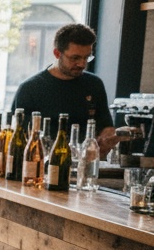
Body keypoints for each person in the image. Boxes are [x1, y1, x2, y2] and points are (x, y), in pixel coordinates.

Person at [9, 23, 119, 153]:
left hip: (84, 159)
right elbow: (18, 138)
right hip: (43, 160)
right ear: (57, 53)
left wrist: (108, 138)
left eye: (86, 57)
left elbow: (106, 126)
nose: (82, 64)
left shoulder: (94, 84)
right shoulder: (30, 89)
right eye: (75, 58)